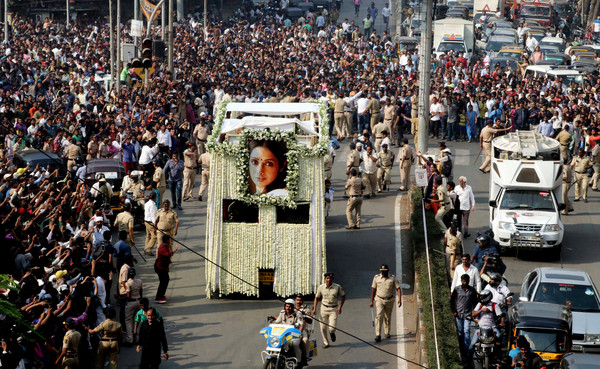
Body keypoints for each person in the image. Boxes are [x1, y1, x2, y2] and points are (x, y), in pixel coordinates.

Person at [312, 272, 346, 348]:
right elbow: (316, 298)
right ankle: (326, 342)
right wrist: (314, 308)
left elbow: (343, 296)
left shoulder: (337, 287)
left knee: (332, 327)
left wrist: (340, 306)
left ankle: (332, 333)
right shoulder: (321, 287)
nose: (329, 280)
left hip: (333, 309)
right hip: (323, 308)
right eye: (327, 278)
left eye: (330, 278)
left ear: (332, 279)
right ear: (325, 279)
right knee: (323, 328)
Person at [369, 264, 402, 342]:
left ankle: (387, 332)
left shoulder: (392, 278)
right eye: (382, 271)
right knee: (379, 316)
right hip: (379, 299)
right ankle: (378, 334)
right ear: (380, 271)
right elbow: (373, 289)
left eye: (385, 271)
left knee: (387, 317)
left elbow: (398, 289)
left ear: (388, 271)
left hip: (389, 300)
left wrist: (399, 299)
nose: (383, 273)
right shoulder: (376, 278)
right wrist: (371, 301)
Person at [450, 274, 478, 362]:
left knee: (466, 331)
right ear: (461, 281)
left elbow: (475, 302)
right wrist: (454, 311)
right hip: (459, 314)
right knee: (460, 332)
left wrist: (474, 311)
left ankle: (466, 349)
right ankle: (461, 347)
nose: (464, 282)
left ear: (468, 281)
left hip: (468, 315)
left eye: (466, 281)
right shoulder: (457, 290)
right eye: (463, 281)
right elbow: (452, 301)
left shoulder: (472, 290)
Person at [469, 290, 503, 358]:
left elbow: (501, 315)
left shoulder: (494, 305)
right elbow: (473, 314)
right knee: (472, 344)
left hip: (492, 328)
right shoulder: (480, 305)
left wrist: (502, 323)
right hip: (481, 328)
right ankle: (468, 360)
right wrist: (481, 310)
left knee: (499, 336)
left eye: (482, 297)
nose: (480, 298)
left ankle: (498, 357)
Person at [270, 299, 305, 366]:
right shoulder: (282, 313)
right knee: (273, 343)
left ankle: (299, 361)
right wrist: (272, 326)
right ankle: (273, 359)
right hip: (283, 334)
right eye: (286, 306)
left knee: (295, 344)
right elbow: (277, 322)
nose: (288, 308)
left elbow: (301, 325)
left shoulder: (298, 314)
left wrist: (299, 333)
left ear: (293, 307)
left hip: (293, 335)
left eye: (289, 307)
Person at [154, 234, 179, 304]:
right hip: (160, 267)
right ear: (167, 240)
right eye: (169, 240)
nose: (170, 241)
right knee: (163, 282)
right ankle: (158, 297)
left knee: (166, 280)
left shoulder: (165, 246)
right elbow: (167, 254)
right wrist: (174, 251)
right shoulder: (163, 247)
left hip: (163, 267)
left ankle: (162, 295)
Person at [125, 267, 143, 345]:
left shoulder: (128, 283)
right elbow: (141, 292)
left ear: (128, 275)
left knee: (128, 320)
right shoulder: (139, 281)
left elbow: (128, 295)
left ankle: (130, 339)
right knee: (137, 319)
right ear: (135, 274)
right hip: (138, 300)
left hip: (131, 302)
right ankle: (137, 338)